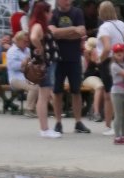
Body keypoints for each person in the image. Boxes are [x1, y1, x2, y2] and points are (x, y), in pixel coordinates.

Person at [50, 0, 88, 132]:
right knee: (57, 91)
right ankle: (58, 122)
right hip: (58, 59)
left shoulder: (77, 13)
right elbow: (53, 33)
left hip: (74, 57)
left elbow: (81, 32)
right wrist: (73, 30)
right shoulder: (54, 14)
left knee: (76, 91)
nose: (67, 1)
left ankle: (78, 122)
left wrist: (62, 34)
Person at [95, 1, 124, 133]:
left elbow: (107, 47)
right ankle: (117, 123)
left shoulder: (104, 27)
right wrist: (123, 52)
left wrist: (100, 59)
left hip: (108, 61)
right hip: (120, 60)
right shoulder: (121, 24)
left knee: (109, 94)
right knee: (119, 92)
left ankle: (109, 125)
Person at [29, 1, 61, 135]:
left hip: (47, 63)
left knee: (44, 95)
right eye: (49, 11)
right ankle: (45, 129)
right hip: (45, 64)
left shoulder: (40, 25)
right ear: (44, 13)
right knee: (44, 95)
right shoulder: (38, 26)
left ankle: (44, 128)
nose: (51, 14)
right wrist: (40, 48)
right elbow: (33, 37)